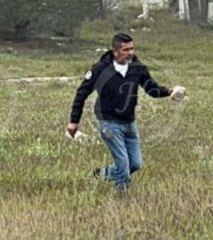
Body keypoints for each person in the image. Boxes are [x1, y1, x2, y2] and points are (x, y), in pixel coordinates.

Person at [66, 33, 184, 195]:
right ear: (115, 52)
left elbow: (151, 89)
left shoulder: (138, 67)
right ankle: (122, 198)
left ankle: (100, 174)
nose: (130, 53)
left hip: (129, 122)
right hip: (108, 122)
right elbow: (82, 93)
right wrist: (74, 121)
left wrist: (169, 91)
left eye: (132, 49)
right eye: (126, 49)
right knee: (122, 164)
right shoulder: (100, 68)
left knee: (135, 164)